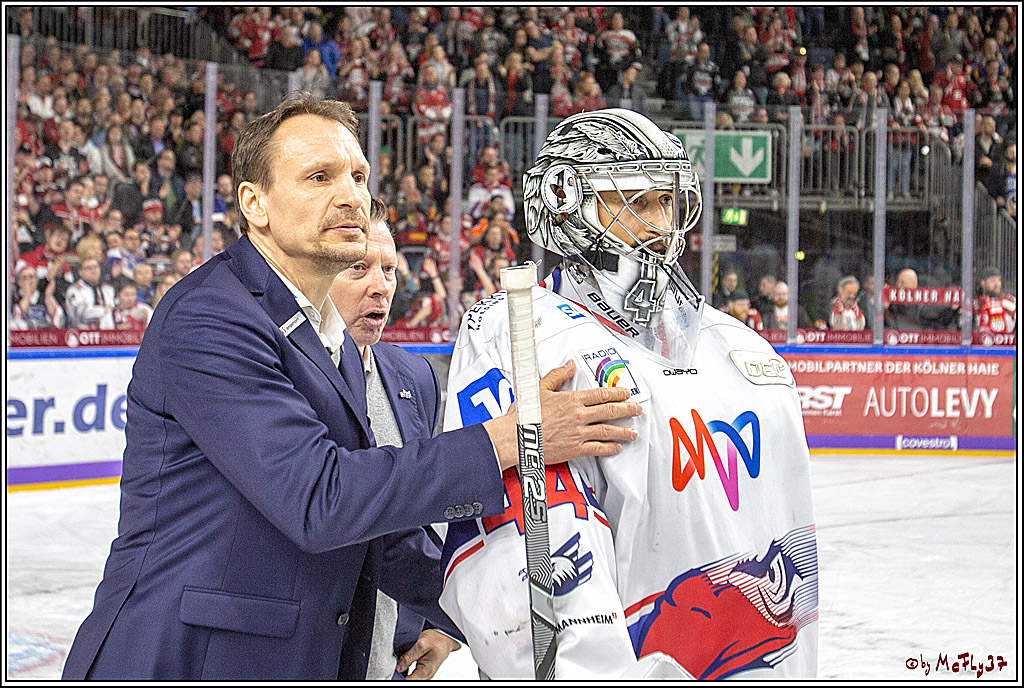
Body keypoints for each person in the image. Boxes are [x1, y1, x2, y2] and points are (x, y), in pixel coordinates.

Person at [63, 94, 640, 681]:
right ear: (254, 204)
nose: (351, 196)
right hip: (180, 660)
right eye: (319, 177)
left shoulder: (325, 334)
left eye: (358, 175)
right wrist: (507, 439)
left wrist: (518, 605)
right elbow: (320, 500)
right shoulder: (211, 316)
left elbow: (379, 542)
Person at [439, 109, 818, 678]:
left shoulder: (740, 348)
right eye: (635, 202)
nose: (660, 224)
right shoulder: (519, 333)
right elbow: (521, 555)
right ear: (567, 206)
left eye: (666, 200)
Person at [329, 198, 461, 680]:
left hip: (396, 659)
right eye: (358, 267)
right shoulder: (287, 378)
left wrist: (441, 625)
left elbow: (431, 510)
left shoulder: (414, 375)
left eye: (388, 269)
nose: (380, 286)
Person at [973, 266, 1016, 334]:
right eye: (992, 280)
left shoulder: (1010, 300)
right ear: (983, 283)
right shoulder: (976, 302)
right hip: (981, 341)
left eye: (998, 280)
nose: (997, 284)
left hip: (1007, 342)